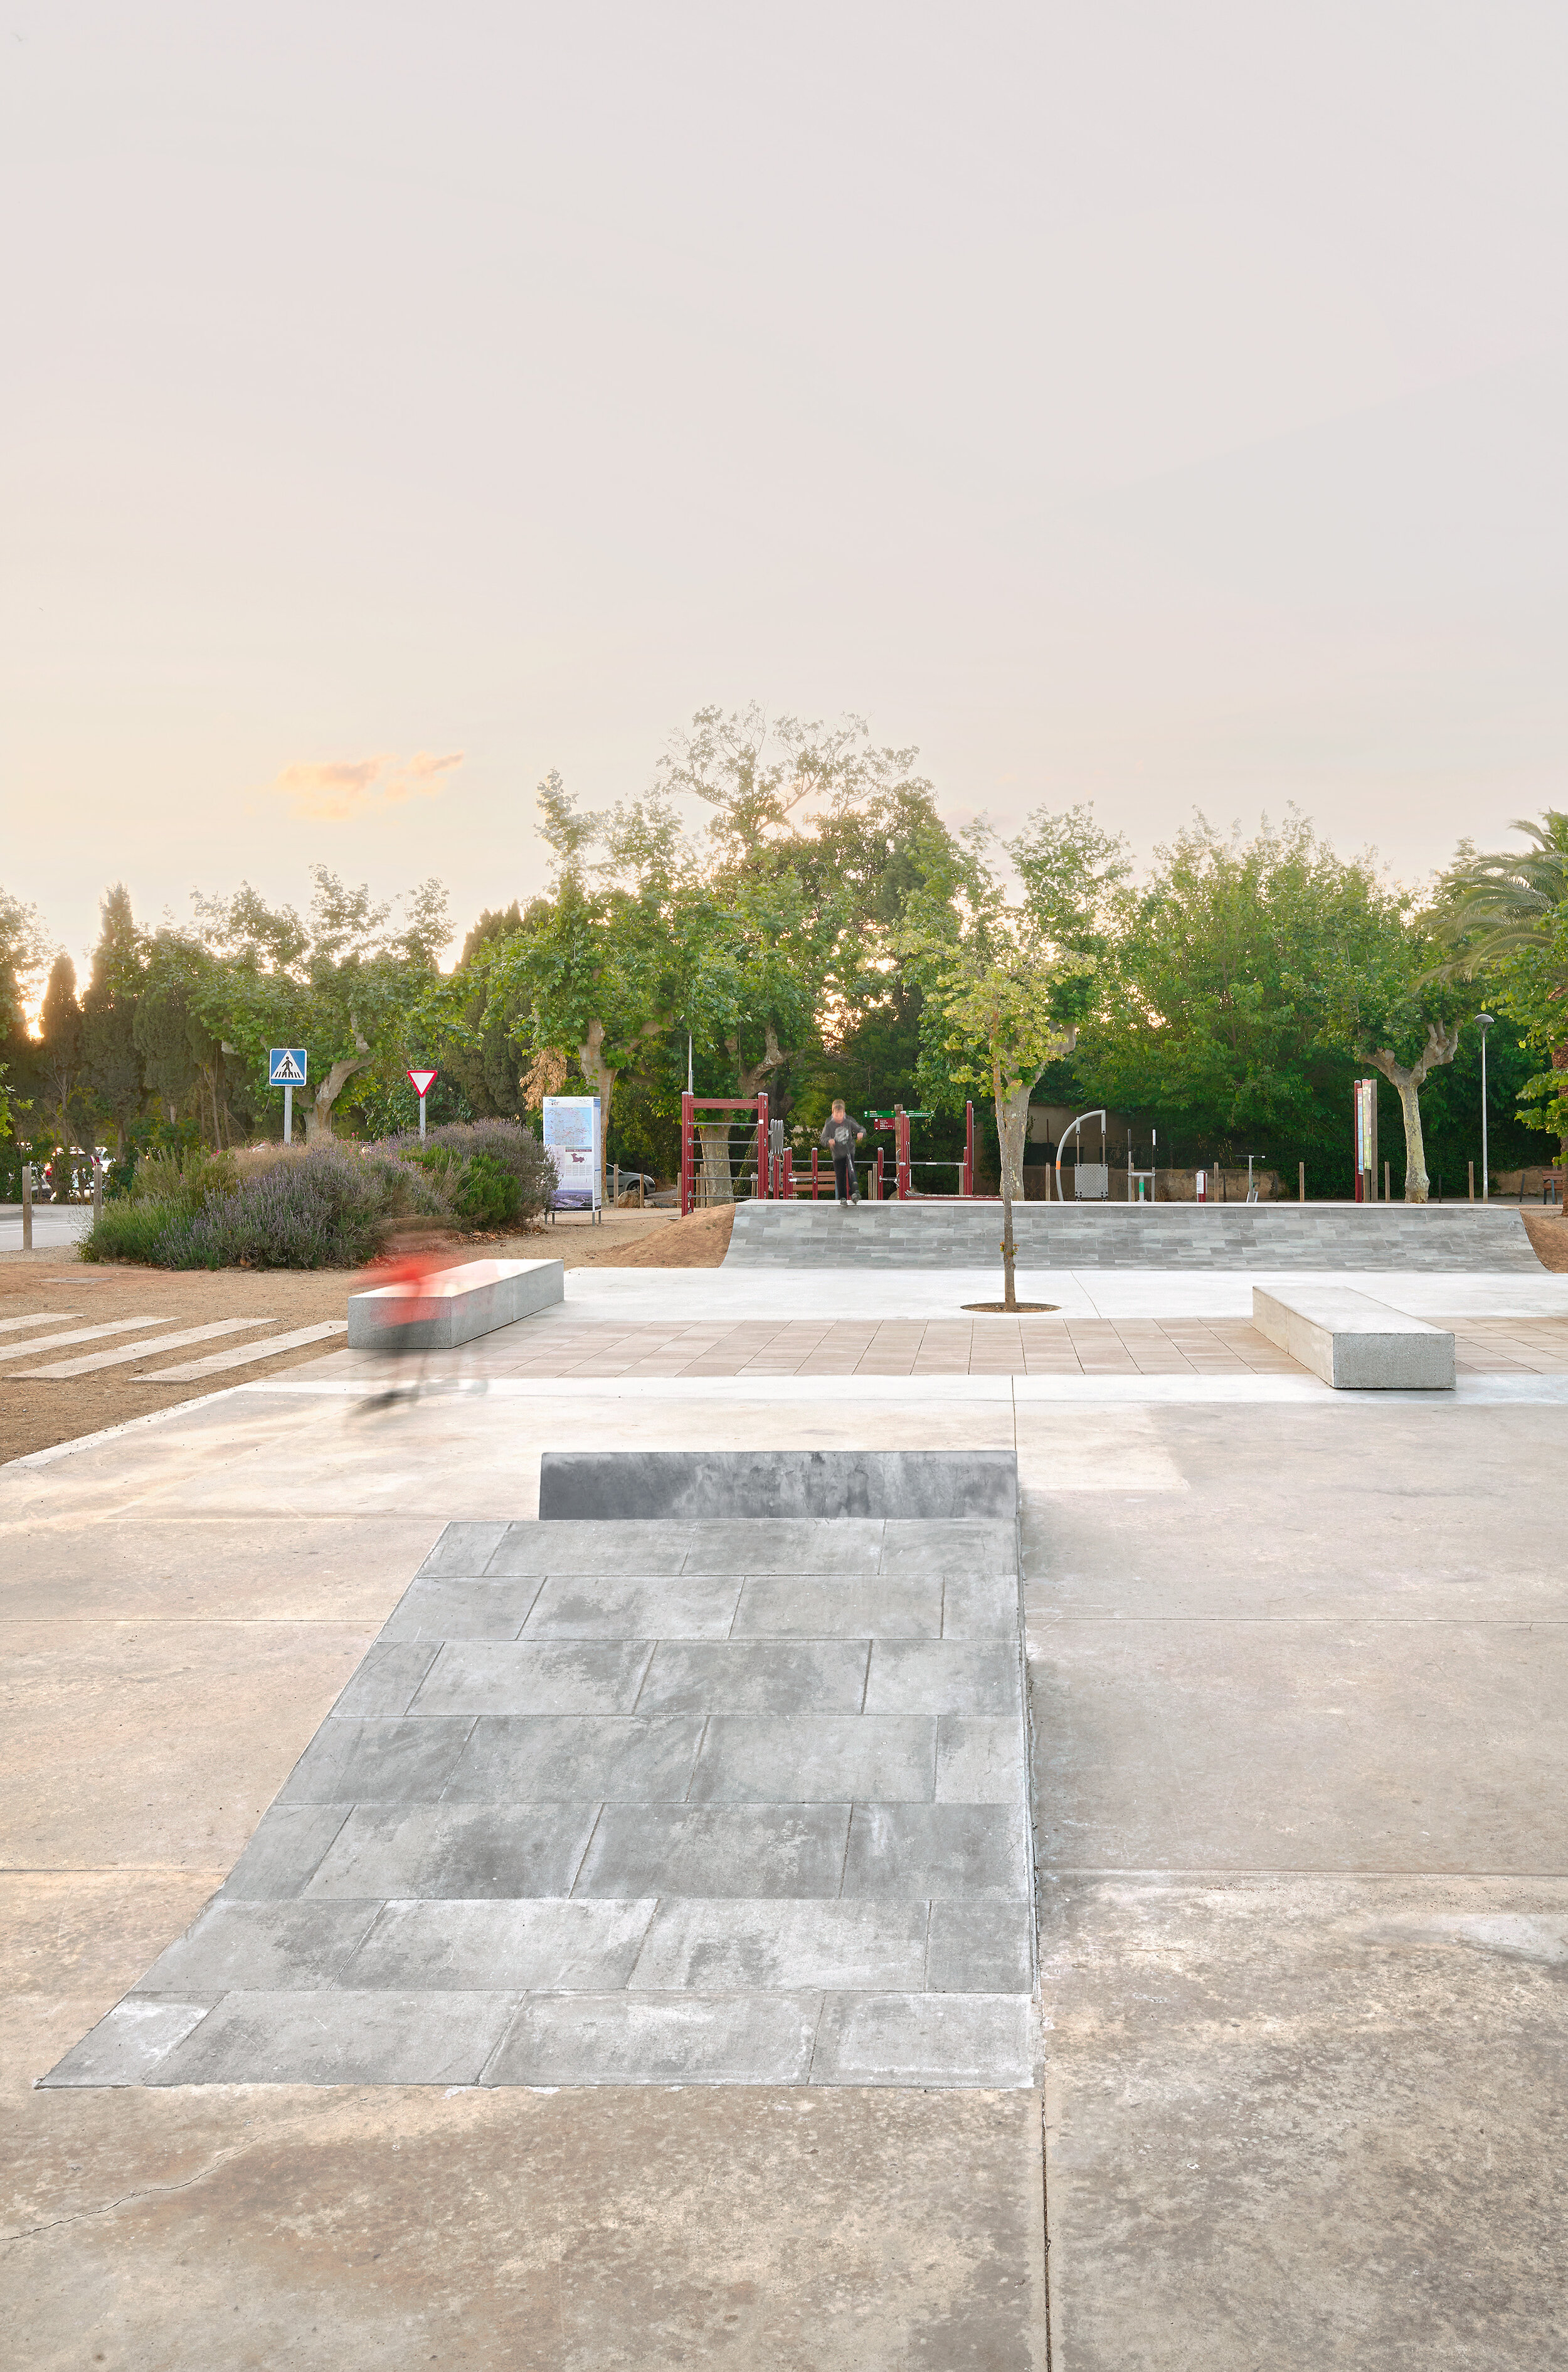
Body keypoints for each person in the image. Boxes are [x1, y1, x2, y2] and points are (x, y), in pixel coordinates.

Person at [819, 1099, 867, 1206]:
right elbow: (822, 1138)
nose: (839, 1117)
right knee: (840, 1175)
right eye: (837, 1114)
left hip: (849, 1150)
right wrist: (828, 1141)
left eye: (841, 1114)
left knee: (851, 1170)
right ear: (833, 1113)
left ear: (844, 1113)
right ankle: (843, 1197)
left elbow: (862, 1129)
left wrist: (861, 1134)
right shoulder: (829, 1124)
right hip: (837, 1154)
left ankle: (854, 1193)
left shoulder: (849, 1121)